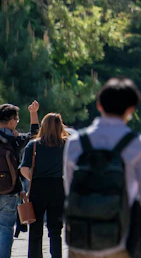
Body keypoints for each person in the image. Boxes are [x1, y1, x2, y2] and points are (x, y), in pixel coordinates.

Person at [63, 78, 141, 258]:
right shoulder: (140, 145)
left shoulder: (76, 142)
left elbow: (70, 188)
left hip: (81, 237)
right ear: (131, 109)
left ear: (99, 105)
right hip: (119, 238)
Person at [19, 111, 66, 258]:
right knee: (55, 229)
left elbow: (24, 169)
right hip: (57, 187)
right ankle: (56, 255)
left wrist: (32, 178)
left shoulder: (33, 145)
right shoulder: (65, 144)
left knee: (35, 227)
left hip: (38, 187)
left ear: (43, 126)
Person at [0, 101, 39, 258]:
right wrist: (33, 113)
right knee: (6, 228)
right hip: (10, 191)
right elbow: (34, 136)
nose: (17, 123)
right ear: (10, 121)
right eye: (16, 120)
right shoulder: (14, 141)